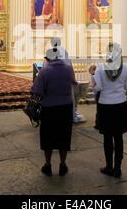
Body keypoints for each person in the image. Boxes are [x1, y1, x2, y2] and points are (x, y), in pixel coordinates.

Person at [31, 48, 78, 177]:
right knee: (64, 136)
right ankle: (63, 165)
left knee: (48, 138)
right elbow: (74, 83)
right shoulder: (68, 69)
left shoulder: (45, 71)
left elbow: (36, 90)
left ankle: (48, 165)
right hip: (66, 108)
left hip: (49, 108)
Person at [94, 43, 127, 178]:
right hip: (120, 106)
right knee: (119, 137)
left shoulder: (100, 68)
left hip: (105, 105)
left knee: (107, 138)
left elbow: (97, 88)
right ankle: (118, 167)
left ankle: (109, 166)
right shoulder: (126, 68)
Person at [89, 65, 100, 130]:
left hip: (97, 93)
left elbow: (94, 86)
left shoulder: (94, 76)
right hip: (99, 93)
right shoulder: (98, 75)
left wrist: (95, 94)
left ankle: (98, 124)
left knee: (98, 110)